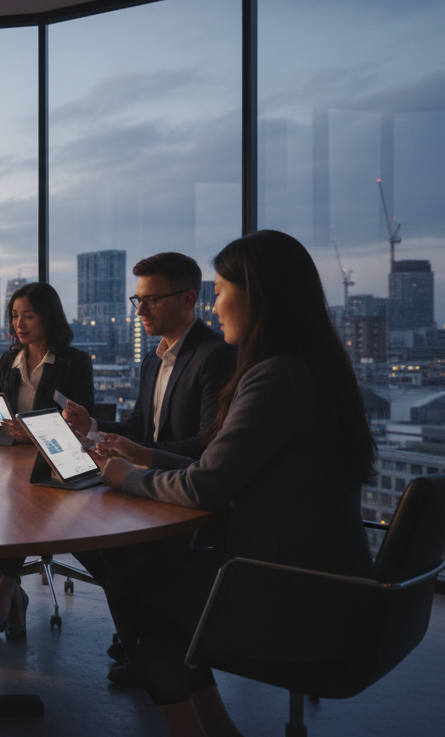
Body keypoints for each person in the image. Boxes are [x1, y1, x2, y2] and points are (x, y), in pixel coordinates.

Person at [95, 230, 375, 737]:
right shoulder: (316, 367)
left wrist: (128, 476)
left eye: (221, 290)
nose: (214, 303)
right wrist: (143, 456)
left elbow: (207, 485)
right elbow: (226, 466)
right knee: (151, 598)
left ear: (258, 294)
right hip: (328, 579)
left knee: (134, 583)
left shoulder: (274, 377)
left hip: (285, 589)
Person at [58, 253, 236, 673]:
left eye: (151, 300)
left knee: (115, 556)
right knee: (80, 533)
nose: (140, 310)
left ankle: (149, 647)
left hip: (182, 492)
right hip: (143, 482)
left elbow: (207, 446)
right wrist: (96, 425)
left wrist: (136, 456)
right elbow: (142, 424)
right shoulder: (155, 356)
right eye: (136, 300)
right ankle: (142, 636)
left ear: (189, 299)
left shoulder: (214, 356)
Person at [0, 280, 94, 635]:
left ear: (49, 317)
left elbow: (81, 424)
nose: (19, 324)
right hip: (11, 461)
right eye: (14, 316)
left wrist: (35, 433)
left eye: (28, 316)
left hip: (53, 464)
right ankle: (13, 591)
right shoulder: (10, 359)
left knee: (18, 507)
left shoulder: (74, 362)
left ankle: (8, 587)